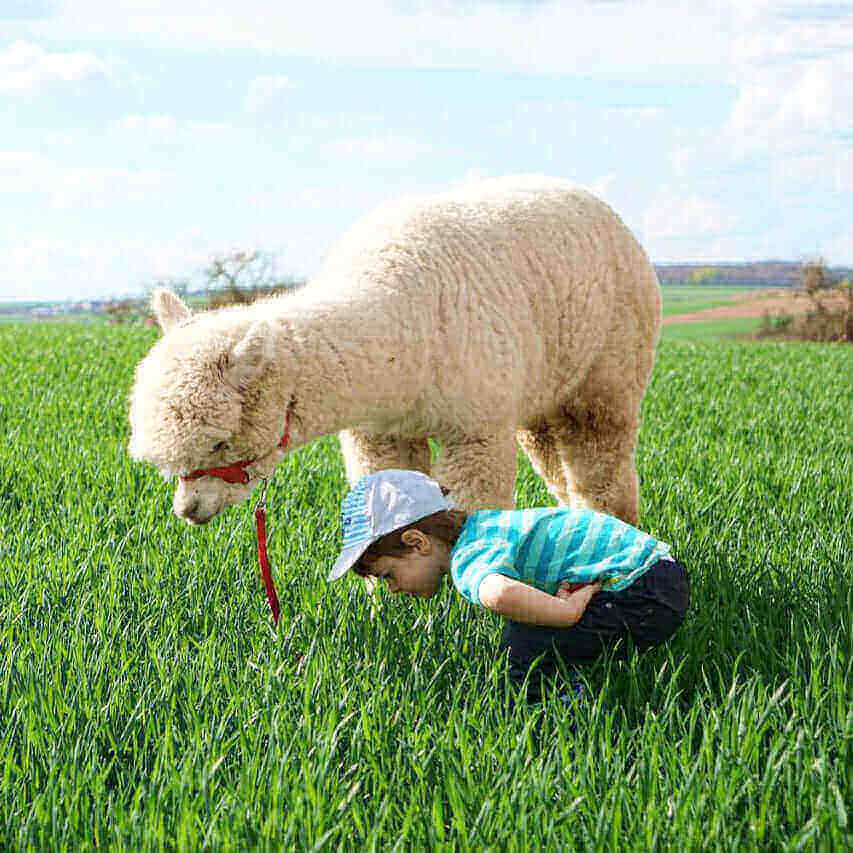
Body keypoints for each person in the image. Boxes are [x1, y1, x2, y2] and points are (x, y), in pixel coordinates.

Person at [327, 469, 689, 706]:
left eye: (389, 575)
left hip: (641, 594)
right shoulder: (486, 526)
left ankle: (558, 718)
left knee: (522, 648)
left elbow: (499, 595)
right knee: (534, 631)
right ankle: (570, 676)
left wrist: (565, 612)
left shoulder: (467, 560)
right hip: (660, 573)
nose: (392, 589)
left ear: (417, 542)